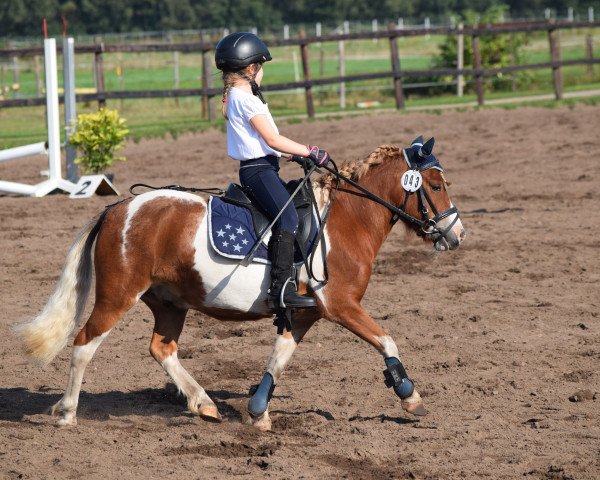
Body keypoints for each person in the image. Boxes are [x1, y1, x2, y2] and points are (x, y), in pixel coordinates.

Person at [215, 32, 330, 310]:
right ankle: (280, 288)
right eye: (261, 67)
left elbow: (259, 142)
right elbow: (271, 139)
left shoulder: (234, 96)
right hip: (258, 172)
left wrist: (291, 154)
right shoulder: (247, 99)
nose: (262, 72)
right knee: (288, 217)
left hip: (259, 167)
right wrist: (309, 150)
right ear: (252, 68)